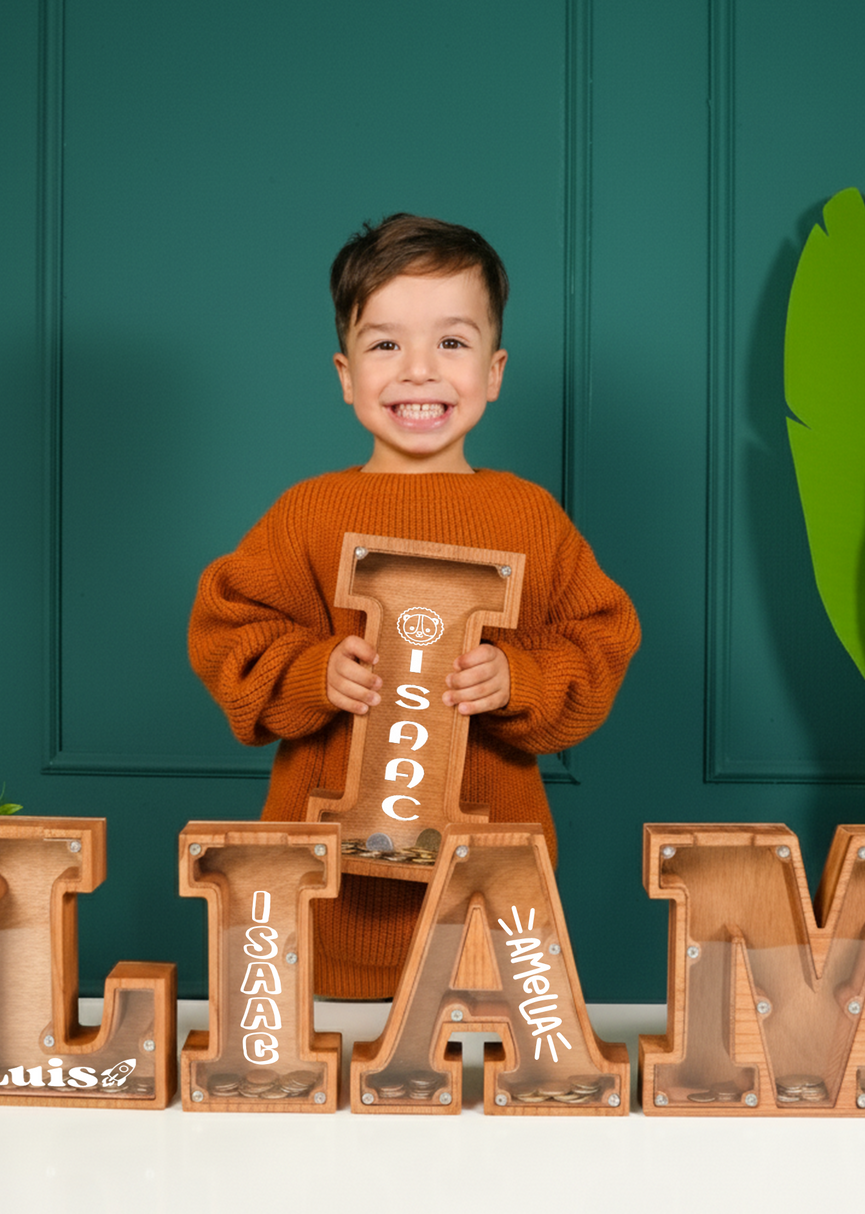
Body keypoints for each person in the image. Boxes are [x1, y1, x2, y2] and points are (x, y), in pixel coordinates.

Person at [188, 214, 640, 999]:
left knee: (469, 1091)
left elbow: (598, 640)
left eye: (453, 344)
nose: (419, 372)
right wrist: (312, 671)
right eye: (386, 344)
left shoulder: (528, 515)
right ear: (344, 372)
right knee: (337, 1089)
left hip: (489, 908)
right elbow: (232, 634)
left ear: (495, 371)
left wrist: (518, 680)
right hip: (324, 911)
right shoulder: (307, 513)